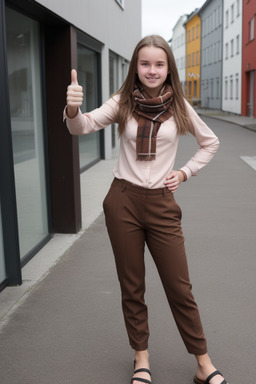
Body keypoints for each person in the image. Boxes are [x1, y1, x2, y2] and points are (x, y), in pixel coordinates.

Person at [64, 35, 228, 384]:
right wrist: (73, 108)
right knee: (132, 285)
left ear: (168, 68)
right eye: (144, 63)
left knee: (179, 287)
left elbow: (210, 143)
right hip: (122, 200)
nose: (151, 70)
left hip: (161, 204)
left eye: (158, 64)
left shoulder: (181, 106)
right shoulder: (122, 102)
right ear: (135, 67)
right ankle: (141, 358)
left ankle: (203, 362)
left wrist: (184, 172)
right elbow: (82, 127)